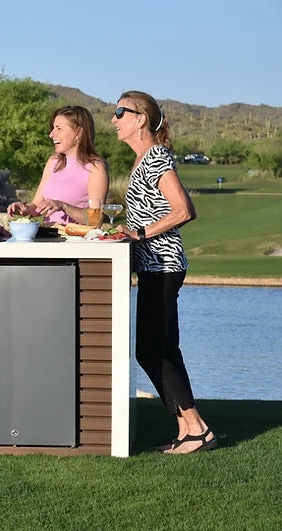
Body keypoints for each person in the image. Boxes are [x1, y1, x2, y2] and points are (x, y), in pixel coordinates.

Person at [112, 90, 216, 454]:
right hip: (152, 266)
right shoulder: (143, 159)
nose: (114, 119)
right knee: (155, 350)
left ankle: (198, 428)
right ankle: (186, 428)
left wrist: (139, 234)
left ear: (140, 119)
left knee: (157, 350)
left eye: (120, 112)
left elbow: (184, 209)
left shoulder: (155, 157)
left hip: (164, 264)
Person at [7, 106, 108, 224]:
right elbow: (35, 207)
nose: (51, 134)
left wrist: (64, 206)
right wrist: (24, 209)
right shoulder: (53, 162)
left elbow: (96, 220)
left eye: (58, 128)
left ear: (78, 133)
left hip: (76, 241)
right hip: (47, 238)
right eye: (53, 128)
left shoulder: (95, 167)